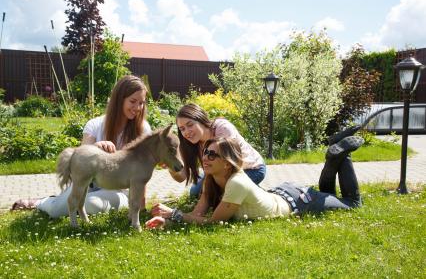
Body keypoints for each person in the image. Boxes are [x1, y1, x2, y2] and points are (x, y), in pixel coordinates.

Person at [145, 130, 364, 228]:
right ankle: (337, 154)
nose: (206, 158)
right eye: (206, 153)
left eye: (213, 154)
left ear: (228, 161)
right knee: (331, 197)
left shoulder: (236, 182)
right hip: (286, 194)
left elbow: (214, 222)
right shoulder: (212, 179)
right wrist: (170, 221)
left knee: (352, 203)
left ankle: (340, 156)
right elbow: (197, 215)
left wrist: (174, 213)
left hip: (299, 201)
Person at [11, 75, 152, 218]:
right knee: (56, 211)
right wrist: (96, 147)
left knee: (92, 204)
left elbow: (142, 174)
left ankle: (65, 202)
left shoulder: (143, 130)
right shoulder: (95, 125)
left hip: (118, 191)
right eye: (133, 101)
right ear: (118, 100)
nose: (137, 108)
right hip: (88, 184)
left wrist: (142, 208)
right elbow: (80, 160)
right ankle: (42, 202)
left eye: (141, 103)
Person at [167, 103, 266, 198]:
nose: (187, 132)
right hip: (218, 172)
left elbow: (230, 166)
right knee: (195, 192)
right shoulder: (189, 143)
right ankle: (247, 190)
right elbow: (182, 177)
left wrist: (211, 190)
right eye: (182, 129)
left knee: (221, 196)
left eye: (190, 125)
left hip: (251, 169)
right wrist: (170, 166)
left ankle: (256, 192)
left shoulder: (223, 129)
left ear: (201, 120)